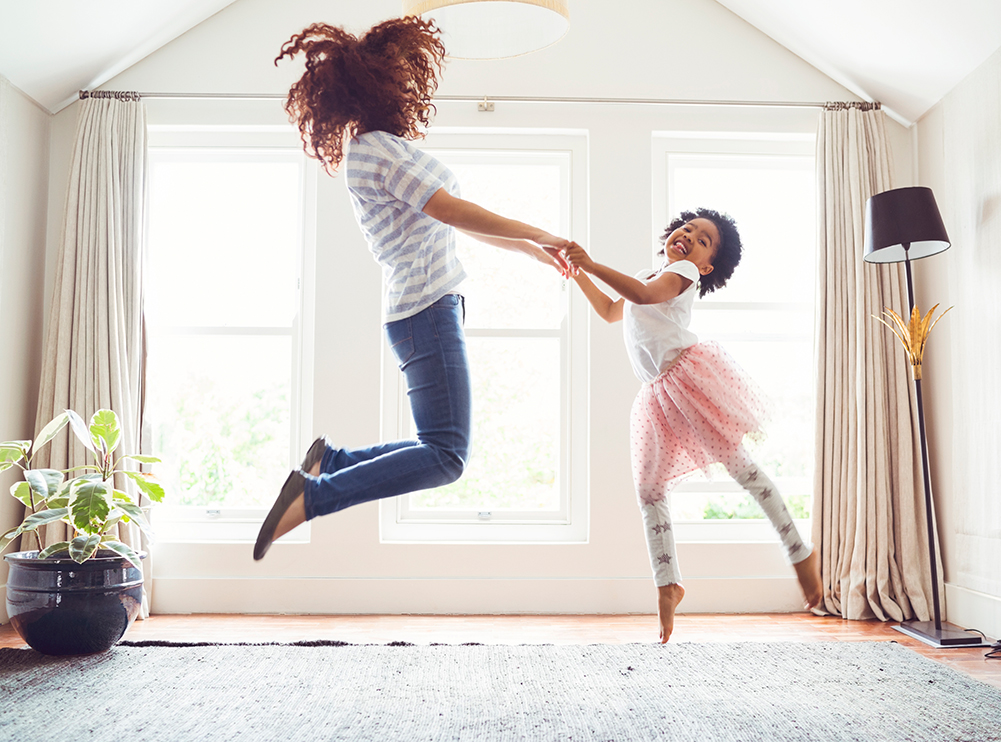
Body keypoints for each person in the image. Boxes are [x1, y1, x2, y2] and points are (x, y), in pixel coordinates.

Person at [254, 17, 572, 560]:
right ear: (373, 82)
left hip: (421, 309)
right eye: (399, 73)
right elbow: (450, 208)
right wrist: (536, 229)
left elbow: (451, 221)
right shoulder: (377, 150)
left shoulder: (377, 149)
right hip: (426, 311)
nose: (408, 82)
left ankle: (331, 464)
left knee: (441, 447)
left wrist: (532, 250)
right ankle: (317, 493)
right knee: (447, 455)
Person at [562, 208, 822, 643]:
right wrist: (578, 274)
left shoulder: (682, 273)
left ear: (705, 267)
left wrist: (591, 262)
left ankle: (800, 552)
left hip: (689, 381)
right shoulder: (650, 273)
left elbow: (645, 297)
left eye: (703, 240)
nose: (689, 236)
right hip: (658, 394)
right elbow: (611, 310)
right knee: (649, 490)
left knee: (742, 469)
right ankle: (668, 582)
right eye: (687, 228)